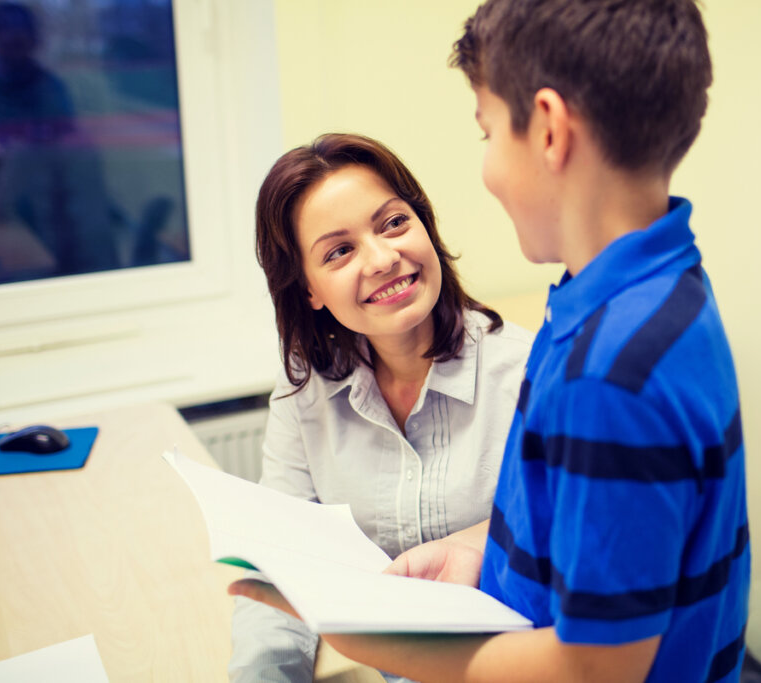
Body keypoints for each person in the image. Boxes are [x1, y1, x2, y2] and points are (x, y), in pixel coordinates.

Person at [232, 1, 751, 681]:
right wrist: (485, 548)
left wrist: (362, 635)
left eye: (486, 133)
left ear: (549, 131)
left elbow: (593, 669)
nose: (487, 171)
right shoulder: (650, 290)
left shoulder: (608, 370)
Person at [228, 133, 533, 682]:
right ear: (309, 291)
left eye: (393, 223)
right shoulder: (306, 393)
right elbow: (281, 570)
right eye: (338, 251)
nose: (383, 258)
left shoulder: (532, 374)